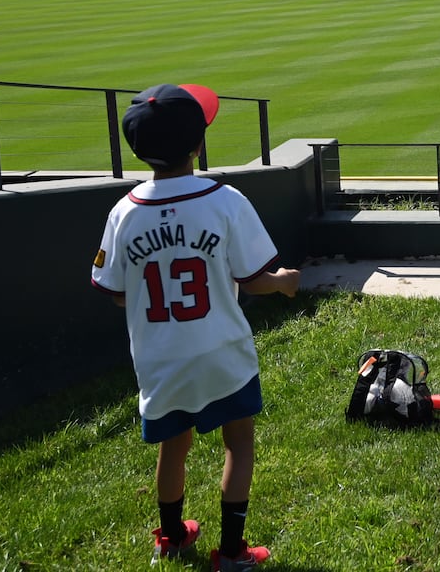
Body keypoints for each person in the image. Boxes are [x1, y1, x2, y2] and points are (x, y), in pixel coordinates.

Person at [91, 83, 301, 569]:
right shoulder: (224, 199)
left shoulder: (123, 212)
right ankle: (232, 551)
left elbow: (116, 289)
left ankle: (172, 537)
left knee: (174, 446)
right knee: (240, 441)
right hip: (221, 350)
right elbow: (254, 281)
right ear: (198, 144)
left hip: (160, 357)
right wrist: (286, 282)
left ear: (138, 149)